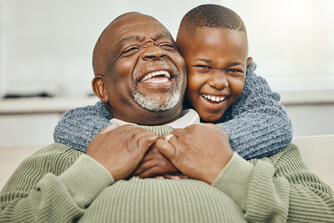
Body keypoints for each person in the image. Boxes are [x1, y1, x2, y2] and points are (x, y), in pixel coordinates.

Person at [1, 12, 333, 223]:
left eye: (165, 45)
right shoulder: (72, 149)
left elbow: (324, 212)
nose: (155, 52)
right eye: (131, 50)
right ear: (101, 88)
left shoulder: (249, 142)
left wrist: (227, 170)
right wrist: (93, 171)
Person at [53, 4, 293, 166]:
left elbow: (274, 121)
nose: (219, 82)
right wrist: (140, 152)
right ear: (183, 60)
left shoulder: (241, 88)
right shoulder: (159, 86)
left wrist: (192, 151)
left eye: (233, 70)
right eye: (203, 67)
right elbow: (72, 123)